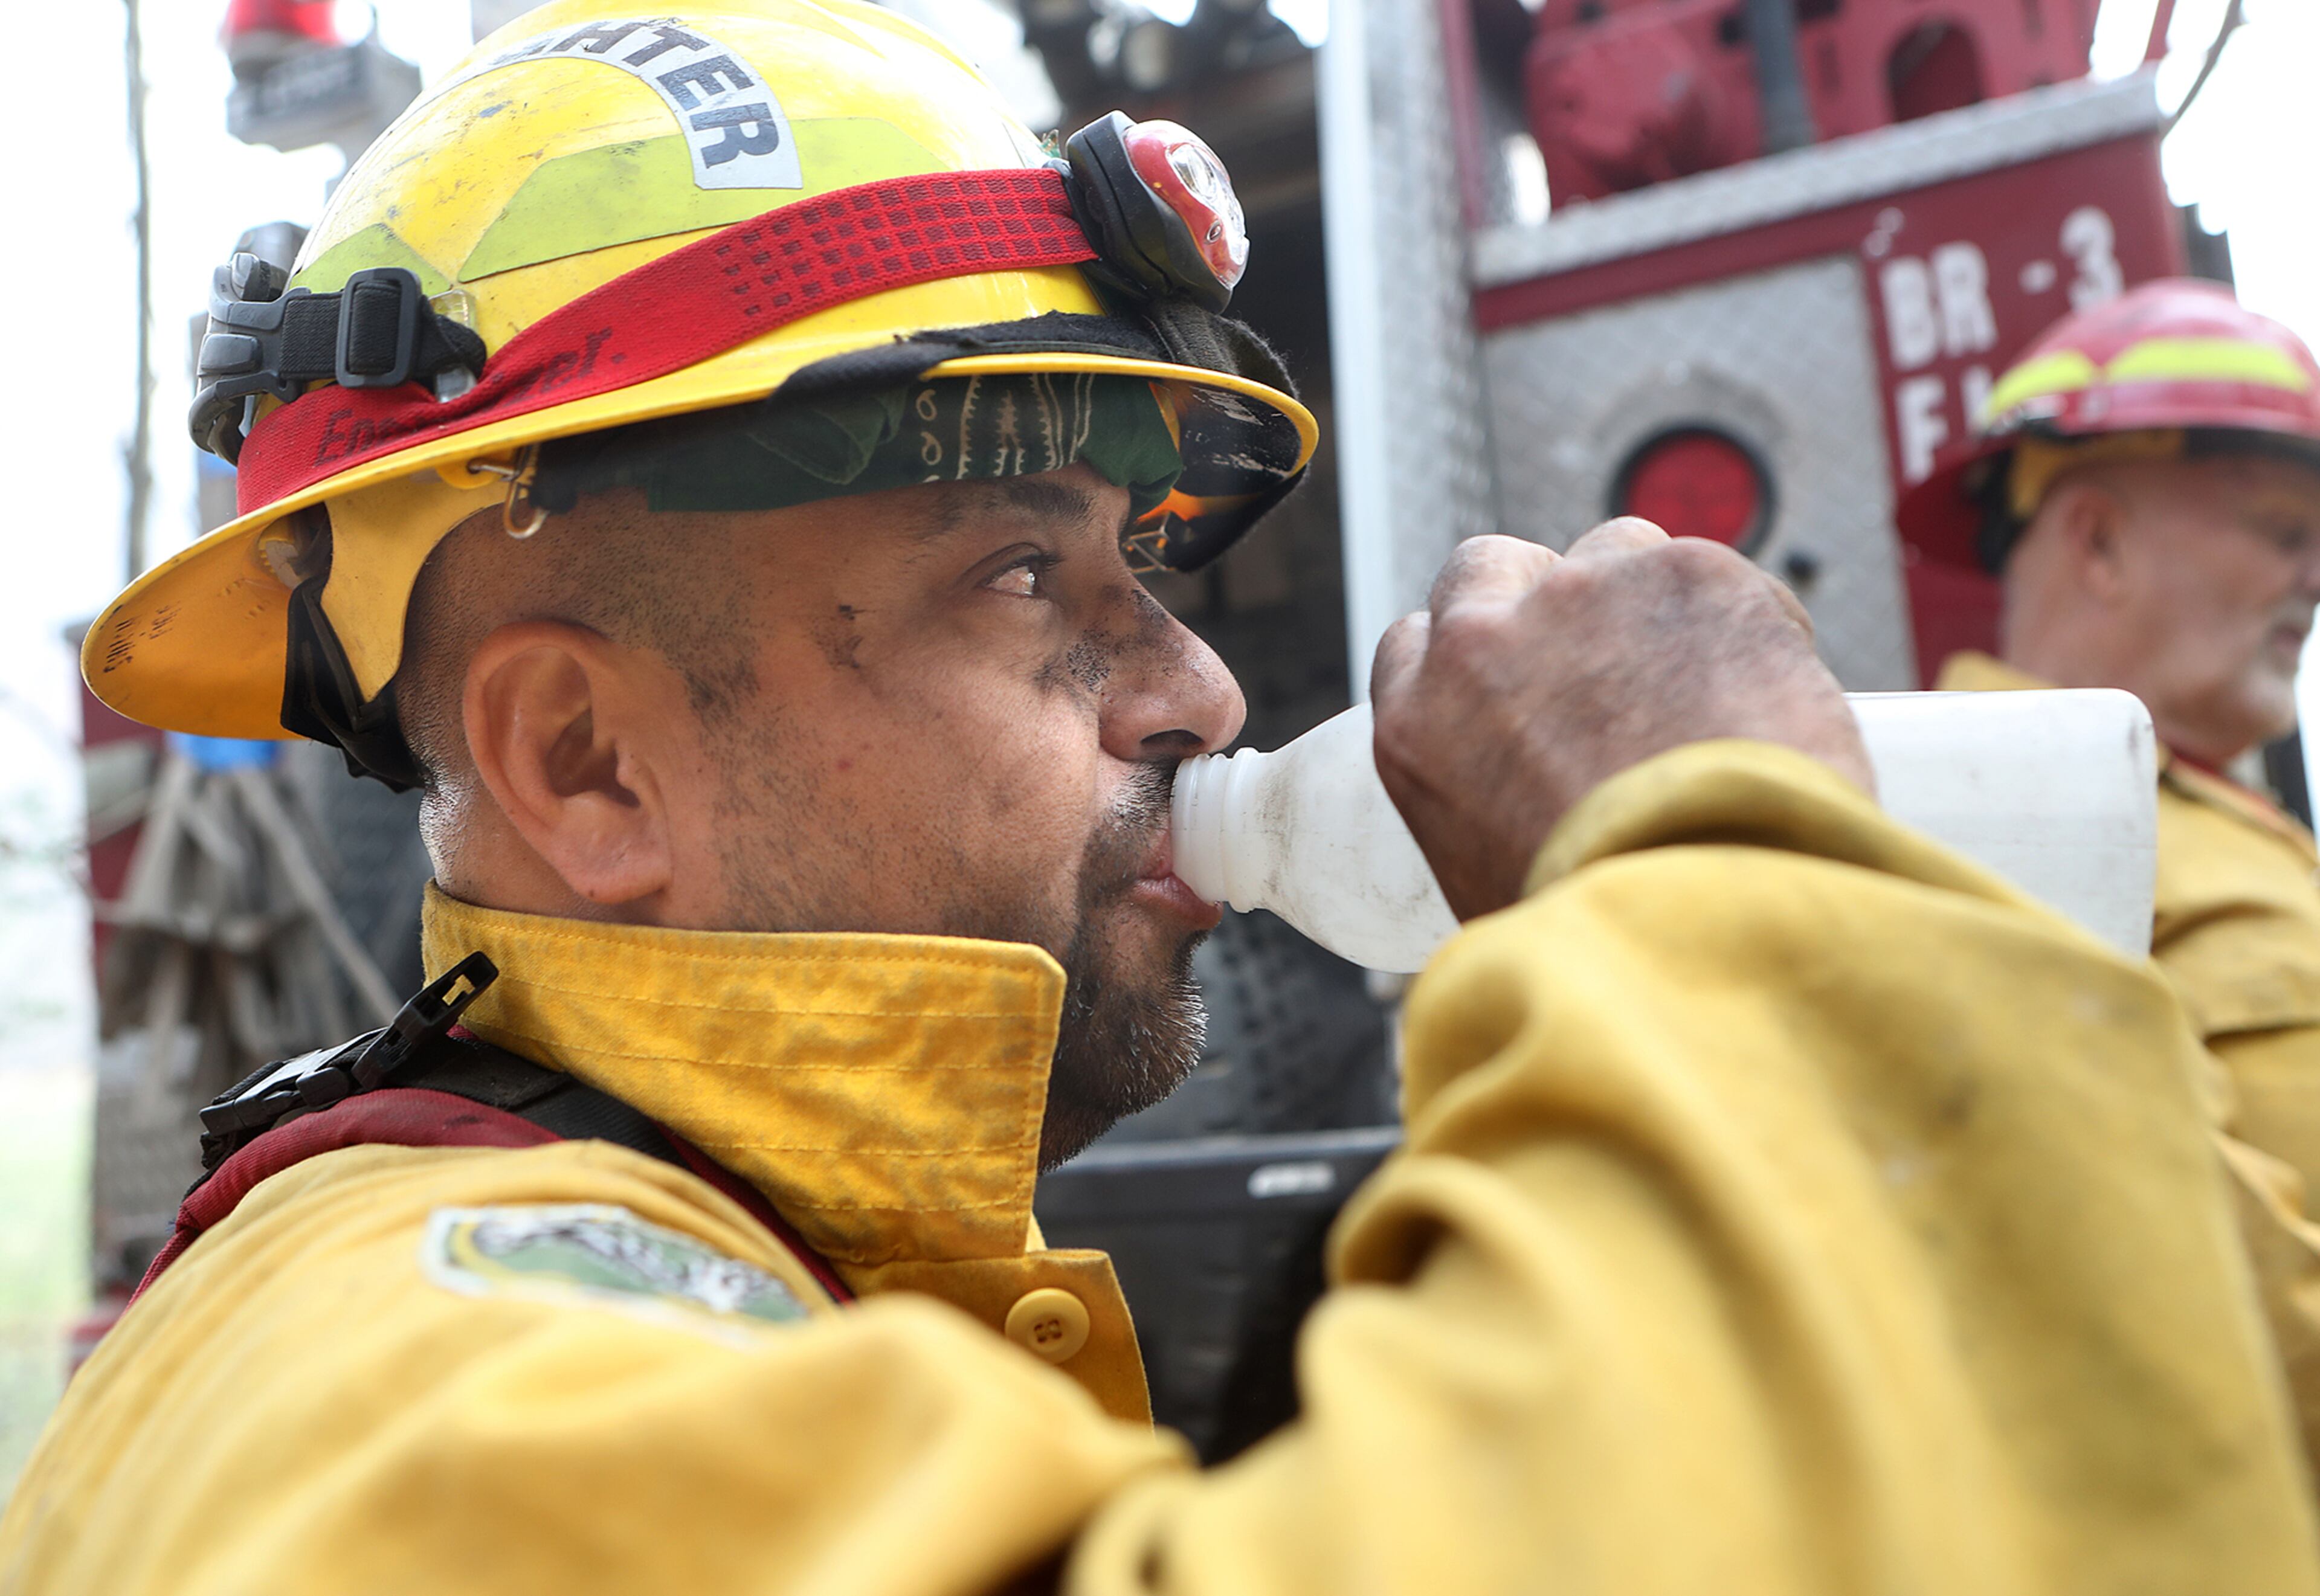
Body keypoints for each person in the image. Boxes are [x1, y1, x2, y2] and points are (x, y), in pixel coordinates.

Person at [6, 10, 2316, 1591]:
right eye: (1024, 574)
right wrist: (1734, 907)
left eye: (1149, 573)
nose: (1202, 689)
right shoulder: (422, 1395)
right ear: (586, 761)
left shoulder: (759, 1289)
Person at [1899, 278, 2320, 1457]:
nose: (2317, 581)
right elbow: (2156, 1232)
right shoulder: (1980, 819)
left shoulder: (2212, 819)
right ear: (2099, 539)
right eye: (2286, 534)